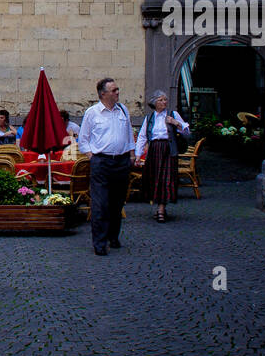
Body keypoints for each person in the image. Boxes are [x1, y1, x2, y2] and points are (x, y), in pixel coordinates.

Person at [77, 77, 135, 255]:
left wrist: (132, 154)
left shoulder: (123, 110)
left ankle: (113, 236)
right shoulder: (92, 113)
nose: (118, 93)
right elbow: (83, 139)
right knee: (100, 203)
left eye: (118, 90)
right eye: (114, 90)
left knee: (117, 203)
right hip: (101, 162)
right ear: (103, 94)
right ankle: (99, 243)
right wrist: (92, 156)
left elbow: (129, 134)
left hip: (121, 161)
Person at [135, 90, 191, 223]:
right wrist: (138, 155)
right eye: (161, 100)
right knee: (155, 179)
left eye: (165, 99)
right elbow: (142, 136)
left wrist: (176, 123)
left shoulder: (173, 114)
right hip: (154, 149)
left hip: (168, 150)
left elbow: (187, 133)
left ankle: (161, 209)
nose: (164, 102)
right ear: (154, 103)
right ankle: (161, 207)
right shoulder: (149, 118)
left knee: (166, 179)